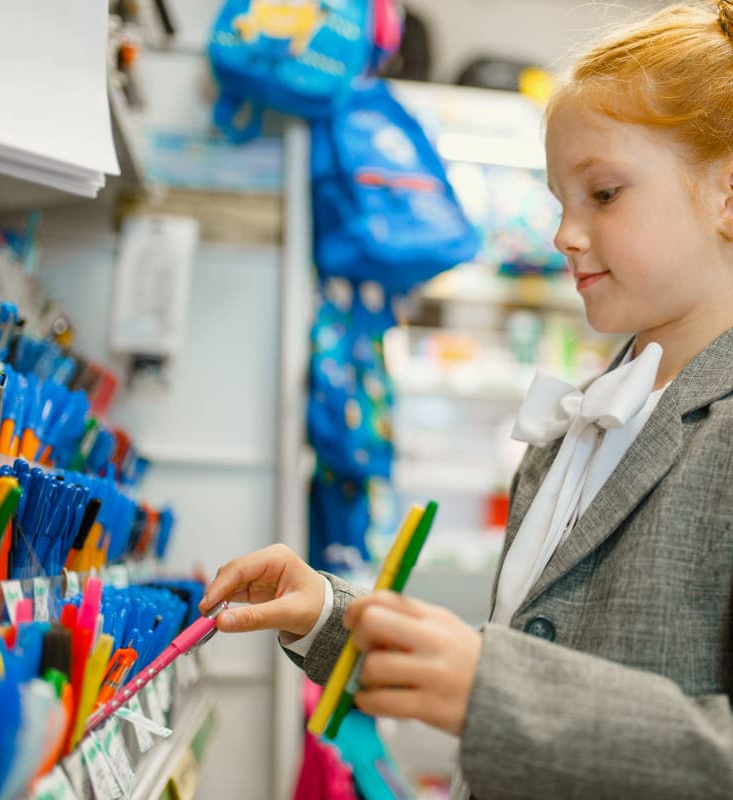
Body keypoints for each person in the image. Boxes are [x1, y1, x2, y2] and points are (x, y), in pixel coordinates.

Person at [200, 2, 733, 796]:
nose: (564, 234)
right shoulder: (576, 421)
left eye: (605, 193)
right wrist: (327, 615)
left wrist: (493, 690)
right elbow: (536, 651)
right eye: (561, 201)